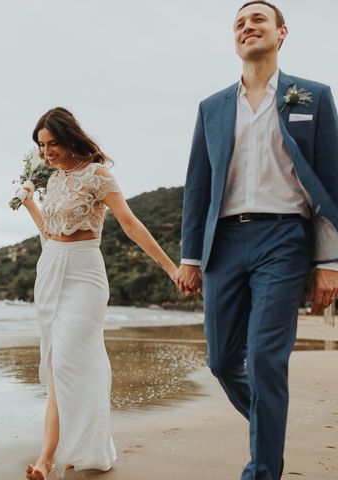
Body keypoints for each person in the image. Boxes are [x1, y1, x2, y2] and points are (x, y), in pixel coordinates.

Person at [175, 2, 338, 478]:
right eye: (239, 23)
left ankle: (263, 469)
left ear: (281, 33)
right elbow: (197, 186)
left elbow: (330, 183)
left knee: (267, 358)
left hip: (285, 238)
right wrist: (190, 256)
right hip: (223, 242)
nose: (247, 27)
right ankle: (269, 427)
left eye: (258, 20)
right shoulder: (212, 107)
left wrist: (329, 262)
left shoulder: (312, 96)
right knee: (223, 361)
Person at [19, 107, 178, 479]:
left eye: (52, 143)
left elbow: (130, 223)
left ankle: (49, 457)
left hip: (84, 273)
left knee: (75, 360)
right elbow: (50, 233)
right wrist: (30, 204)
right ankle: (61, 450)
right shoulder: (54, 181)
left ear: (70, 137)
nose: (47, 153)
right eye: (42, 147)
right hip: (51, 269)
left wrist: (170, 268)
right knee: (59, 362)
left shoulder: (98, 175)